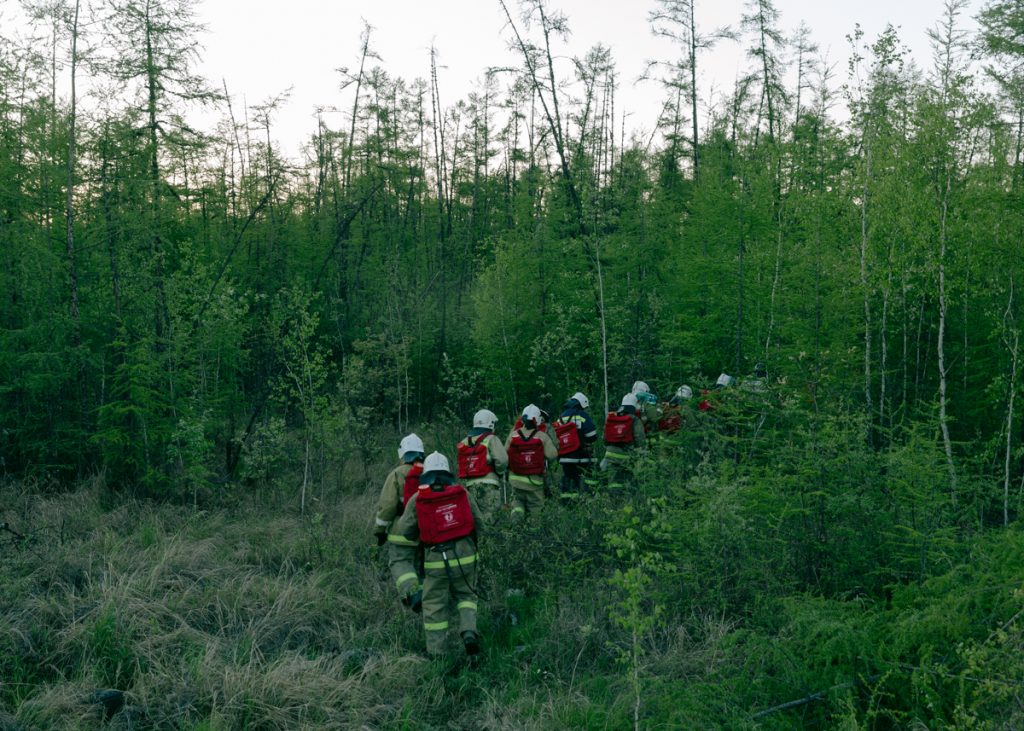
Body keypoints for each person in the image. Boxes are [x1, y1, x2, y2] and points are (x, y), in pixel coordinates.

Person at [393, 452, 481, 658]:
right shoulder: (462, 493)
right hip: (466, 556)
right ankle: (468, 631)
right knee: (467, 596)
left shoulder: (418, 498)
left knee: (434, 605)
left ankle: (438, 654)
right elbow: (479, 521)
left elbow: (405, 530)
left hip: (436, 561)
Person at [374, 434, 426, 612]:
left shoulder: (397, 474)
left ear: (403, 453)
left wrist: (380, 530)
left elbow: (387, 506)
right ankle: (426, 601)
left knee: (401, 563)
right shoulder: (430, 471)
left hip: (400, 533)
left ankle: (413, 594)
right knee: (420, 567)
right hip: (426, 532)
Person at [505, 403, 558, 519]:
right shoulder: (541, 436)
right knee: (536, 509)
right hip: (535, 483)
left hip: (515, 482)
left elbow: (505, 455)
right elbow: (553, 455)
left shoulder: (513, 435)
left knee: (517, 505)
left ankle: (516, 528)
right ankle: (534, 533)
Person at [456, 409, 507, 523]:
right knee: (490, 521)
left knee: (475, 522)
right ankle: (488, 541)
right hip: (489, 486)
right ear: (491, 423)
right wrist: (499, 472)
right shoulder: (492, 439)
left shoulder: (464, 441)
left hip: (469, 488)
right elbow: (502, 460)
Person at [552, 392, 599, 500]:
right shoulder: (582, 415)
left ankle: (568, 505)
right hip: (582, 456)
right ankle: (588, 501)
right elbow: (592, 435)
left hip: (565, 457)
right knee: (588, 478)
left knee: (569, 480)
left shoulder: (561, 417)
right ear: (581, 404)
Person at [601, 393, 646, 489]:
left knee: (613, 483)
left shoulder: (613, 417)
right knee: (629, 481)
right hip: (626, 456)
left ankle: (613, 499)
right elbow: (640, 439)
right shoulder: (634, 419)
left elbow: (604, 438)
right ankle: (629, 500)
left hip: (610, 456)